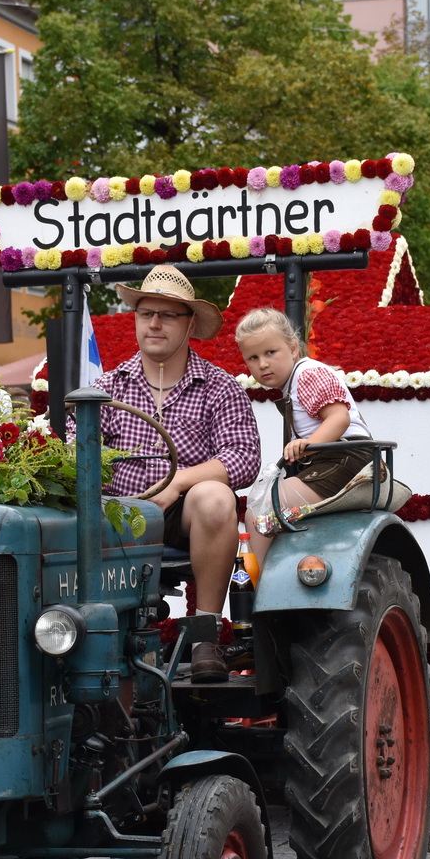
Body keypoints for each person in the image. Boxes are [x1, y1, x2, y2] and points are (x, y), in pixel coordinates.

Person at [100, 265, 260, 684]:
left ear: (189, 324)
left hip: (183, 519)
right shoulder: (106, 389)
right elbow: (76, 460)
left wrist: (177, 483)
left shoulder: (219, 387)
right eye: (145, 313)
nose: (154, 323)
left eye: (168, 314)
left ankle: (205, 633)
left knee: (216, 497)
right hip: (116, 516)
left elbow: (244, 457)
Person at [235, 308, 377, 562]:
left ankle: (255, 583)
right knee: (265, 505)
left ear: (292, 349)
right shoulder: (294, 382)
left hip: (345, 457)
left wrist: (309, 443)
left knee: (263, 509)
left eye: (270, 352)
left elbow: (339, 417)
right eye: (252, 358)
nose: (263, 364)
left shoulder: (308, 373)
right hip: (331, 459)